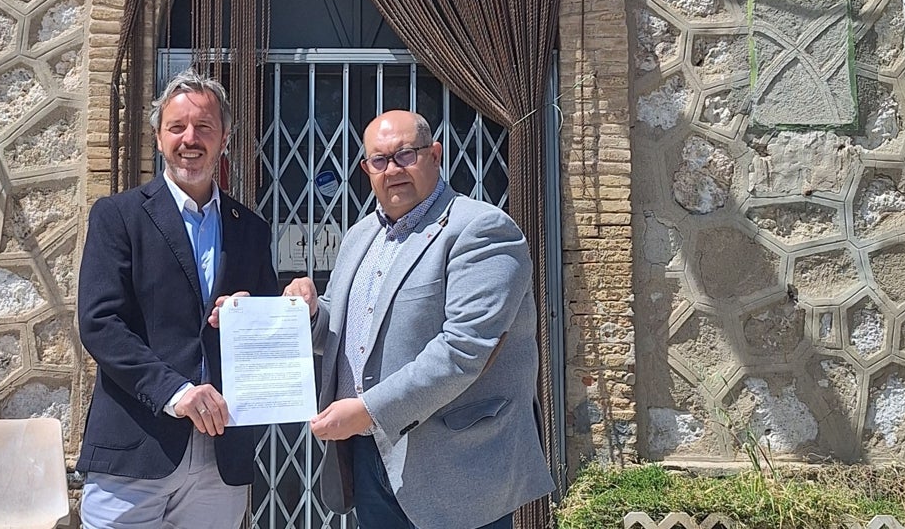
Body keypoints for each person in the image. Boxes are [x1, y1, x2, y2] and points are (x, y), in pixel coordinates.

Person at [283, 109, 553, 529]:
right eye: (379, 160)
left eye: (405, 155)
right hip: (371, 455)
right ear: (366, 170)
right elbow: (339, 333)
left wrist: (368, 409)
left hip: (457, 465)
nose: (392, 170)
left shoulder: (481, 229)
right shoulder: (359, 237)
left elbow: (463, 350)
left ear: (435, 154)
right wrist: (311, 312)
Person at [76, 69, 278, 529]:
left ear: (225, 137)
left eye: (204, 127)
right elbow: (99, 323)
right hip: (136, 446)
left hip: (220, 456)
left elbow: (268, 329)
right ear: (157, 136)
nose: (191, 139)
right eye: (177, 127)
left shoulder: (250, 228)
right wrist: (177, 392)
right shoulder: (118, 217)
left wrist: (278, 306)